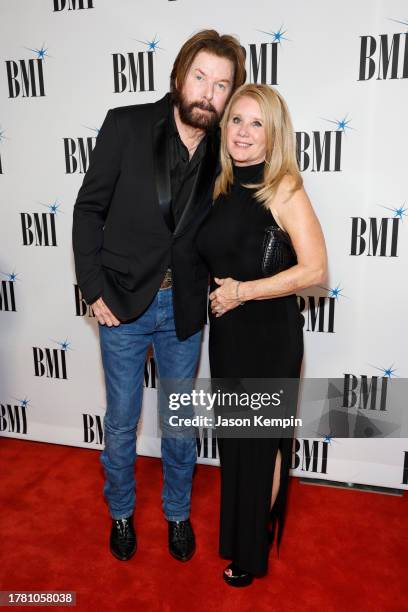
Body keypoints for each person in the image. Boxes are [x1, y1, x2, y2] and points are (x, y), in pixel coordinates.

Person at [72, 30, 246, 563]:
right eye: (200, 77)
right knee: (123, 419)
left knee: (178, 424)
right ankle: (121, 513)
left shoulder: (226, 149)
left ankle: (177, 515)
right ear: (178, 76)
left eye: (221, 86)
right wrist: (93, 289)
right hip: (122, 303)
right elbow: (88, 211)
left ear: (229, 95)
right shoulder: (126, 124)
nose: (207, 93)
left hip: (185, 310)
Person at [197, 83, 327, 586]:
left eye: (257, 124)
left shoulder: (284, 188)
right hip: (228, 336)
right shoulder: (221, 184)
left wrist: (242, 292)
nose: (243, 133)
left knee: (259, 445)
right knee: (238, 445)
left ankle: (250, 552)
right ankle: (248, 530)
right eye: (236, 120)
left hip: (269, 337)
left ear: (274, 137)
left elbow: (316, 269)